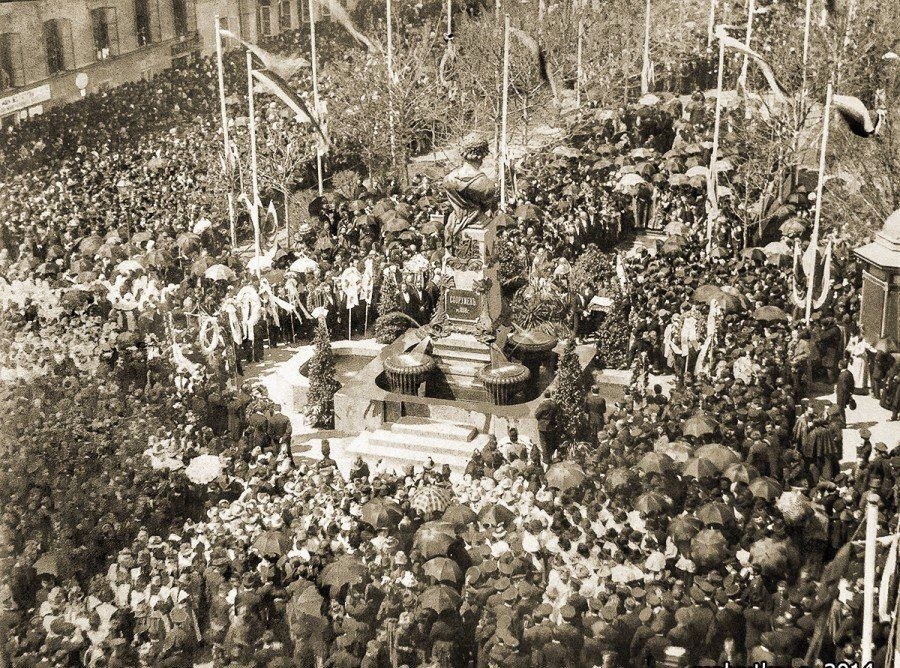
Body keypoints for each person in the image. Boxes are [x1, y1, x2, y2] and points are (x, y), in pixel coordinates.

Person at [534, 391, 560, 462]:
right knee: (550, 442)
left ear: (544, 396)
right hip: (552, 425)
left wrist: (541, 419)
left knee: (544, 443)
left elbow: (536, 414)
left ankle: (546, 460)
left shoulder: (543, 404)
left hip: (543, 425)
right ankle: (551, 457)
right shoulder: (554, 403)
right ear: (550, 395)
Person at [834, 359, 856, 424]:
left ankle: (843, 423)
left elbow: (844, 386)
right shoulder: (849, 373)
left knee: (840, 408)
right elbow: (852, 383)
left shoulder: (842, 375)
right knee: (841, 408)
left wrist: (838, 390)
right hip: (847, 393)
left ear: (840, 366)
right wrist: (851, 392)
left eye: (838, 364)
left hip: (842, 394)